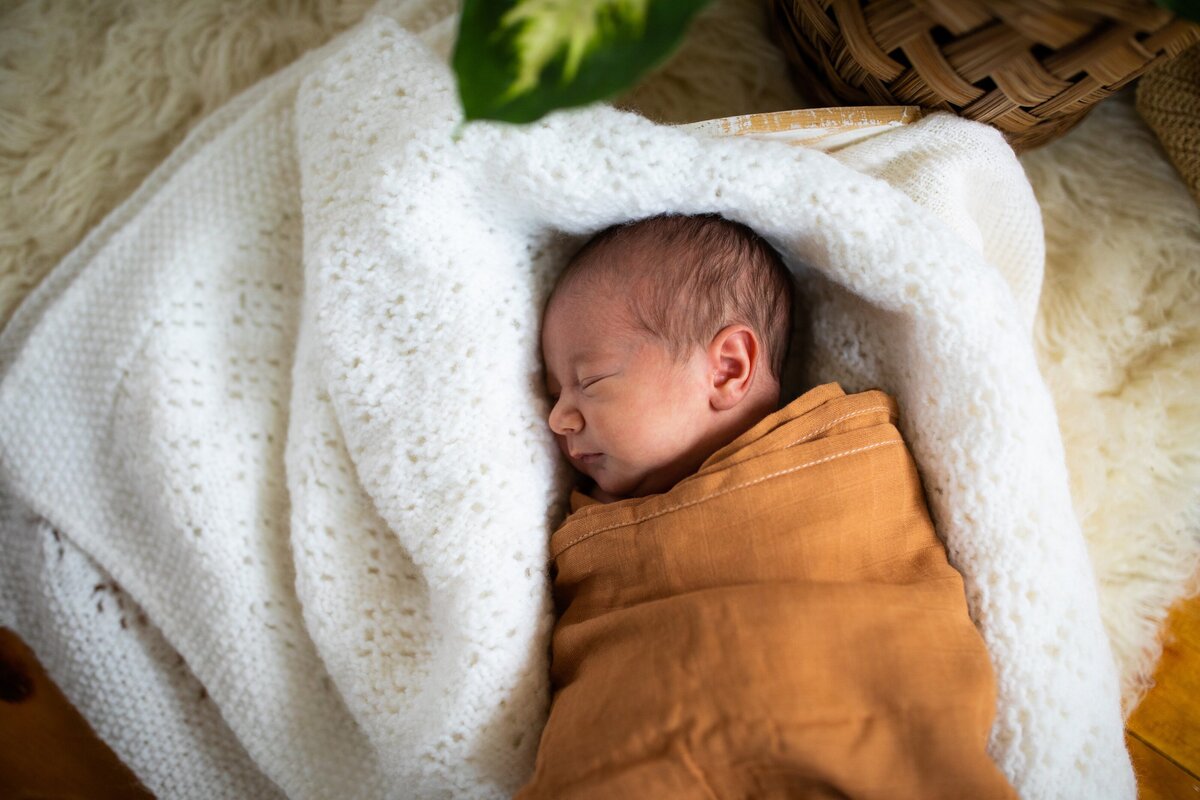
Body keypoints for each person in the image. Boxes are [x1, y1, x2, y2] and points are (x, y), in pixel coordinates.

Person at [519, 214, 1015, 799]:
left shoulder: (841, 466)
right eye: (555, 395)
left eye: (591, 381)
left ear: (727, 369)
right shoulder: (600, 531)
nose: (559, 418)